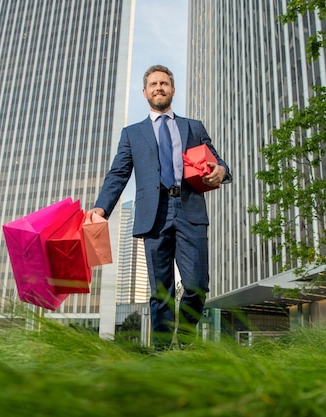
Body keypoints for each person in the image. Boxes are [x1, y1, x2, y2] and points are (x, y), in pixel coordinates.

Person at [87, 64, 232, 350]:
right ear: (145, 92)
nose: (159, 88)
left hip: (190, 210)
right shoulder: (132, 134)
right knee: (161, 291)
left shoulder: (193, 127)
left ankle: (186, 342)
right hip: (154, 214)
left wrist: (221, 170)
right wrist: (102, 208)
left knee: (196, 285)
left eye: (164, 83)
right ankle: (163, 352)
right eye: (153, 84)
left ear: (173, 90)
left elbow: (218, 162)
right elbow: (118, 174)